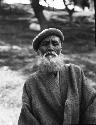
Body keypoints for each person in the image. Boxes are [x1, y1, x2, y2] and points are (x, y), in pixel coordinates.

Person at [18, 28, 96, 125]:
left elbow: (92, 102)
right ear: (38, 51)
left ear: (60, 49)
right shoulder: (30, 83)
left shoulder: (75, 72)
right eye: (45, 44)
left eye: (55, 44)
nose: (50, 48)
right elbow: (27, 118)